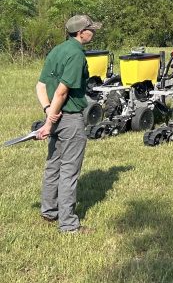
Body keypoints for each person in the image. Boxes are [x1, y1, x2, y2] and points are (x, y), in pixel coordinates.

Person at [36, 14, 102, 234]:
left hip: (55, 116)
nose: (93, 32)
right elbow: (62, 91)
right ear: (81, 32)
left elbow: (41, 86)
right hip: (70, 119)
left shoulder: (57, 50)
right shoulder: (76, 55)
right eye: (91, 29)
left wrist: (48, 112)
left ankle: (49, 211)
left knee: (53, 165)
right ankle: (69, 225)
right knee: (69, 171)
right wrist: (49, 120)